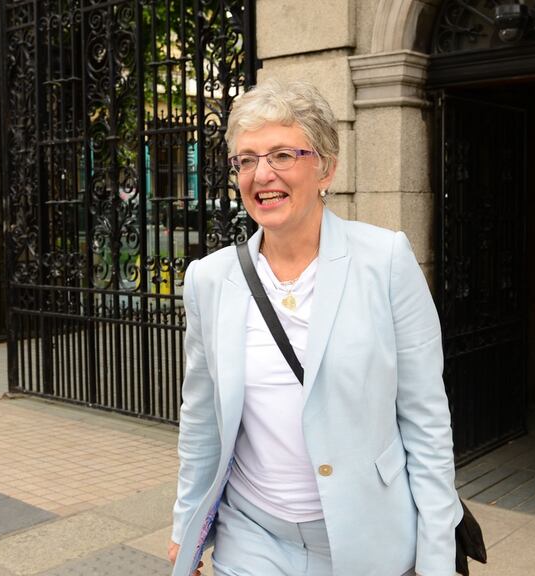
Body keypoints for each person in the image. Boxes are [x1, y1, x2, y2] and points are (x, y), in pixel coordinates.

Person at [167, 79, 462, 576]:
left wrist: (437, 555)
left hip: (367, 535)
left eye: (283, 154)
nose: (263, 174)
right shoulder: (209, 278)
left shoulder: (385, 260)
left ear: (325, 166)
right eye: (247, 159)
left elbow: (426, 420)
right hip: (251, 533)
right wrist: (186, 528)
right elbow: (201, 420)